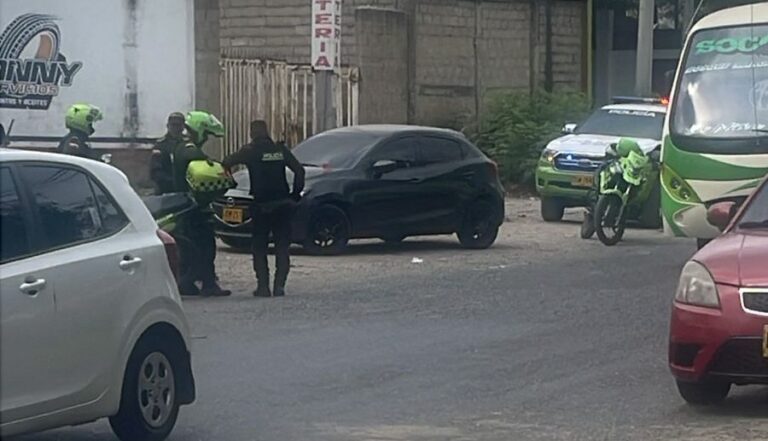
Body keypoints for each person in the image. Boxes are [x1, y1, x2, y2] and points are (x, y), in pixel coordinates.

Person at [223, 120, 305, 297]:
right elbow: (299, 171)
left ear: (252, 133)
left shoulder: (250, 151)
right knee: (282, 247)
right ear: (267, 131)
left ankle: (263, 287)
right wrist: (295, 195)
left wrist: (230, 182)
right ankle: (279, 287)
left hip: (261, 206)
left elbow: (226, 162)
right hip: (283, 205)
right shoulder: (279, 150)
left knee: (259, 248)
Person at [174, 110, 232, 297]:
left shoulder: (181, 147)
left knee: (190, 247)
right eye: (206, 134)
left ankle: (188, 283)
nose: (207, 138)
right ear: (199, 130)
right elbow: (205, 174)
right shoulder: (192, 152)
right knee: (205, 247)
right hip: (195, 206)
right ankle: (207, 284)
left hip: (184, 204)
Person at [150, 112, 186, 195]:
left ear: (183, 127)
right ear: (168, 126)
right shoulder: (160, 145)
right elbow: (155, 172)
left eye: (178, 125)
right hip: (165, 191)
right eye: (173, 125)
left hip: (186, 190)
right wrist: (171, 182)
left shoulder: (188, 144)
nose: (176, 129)